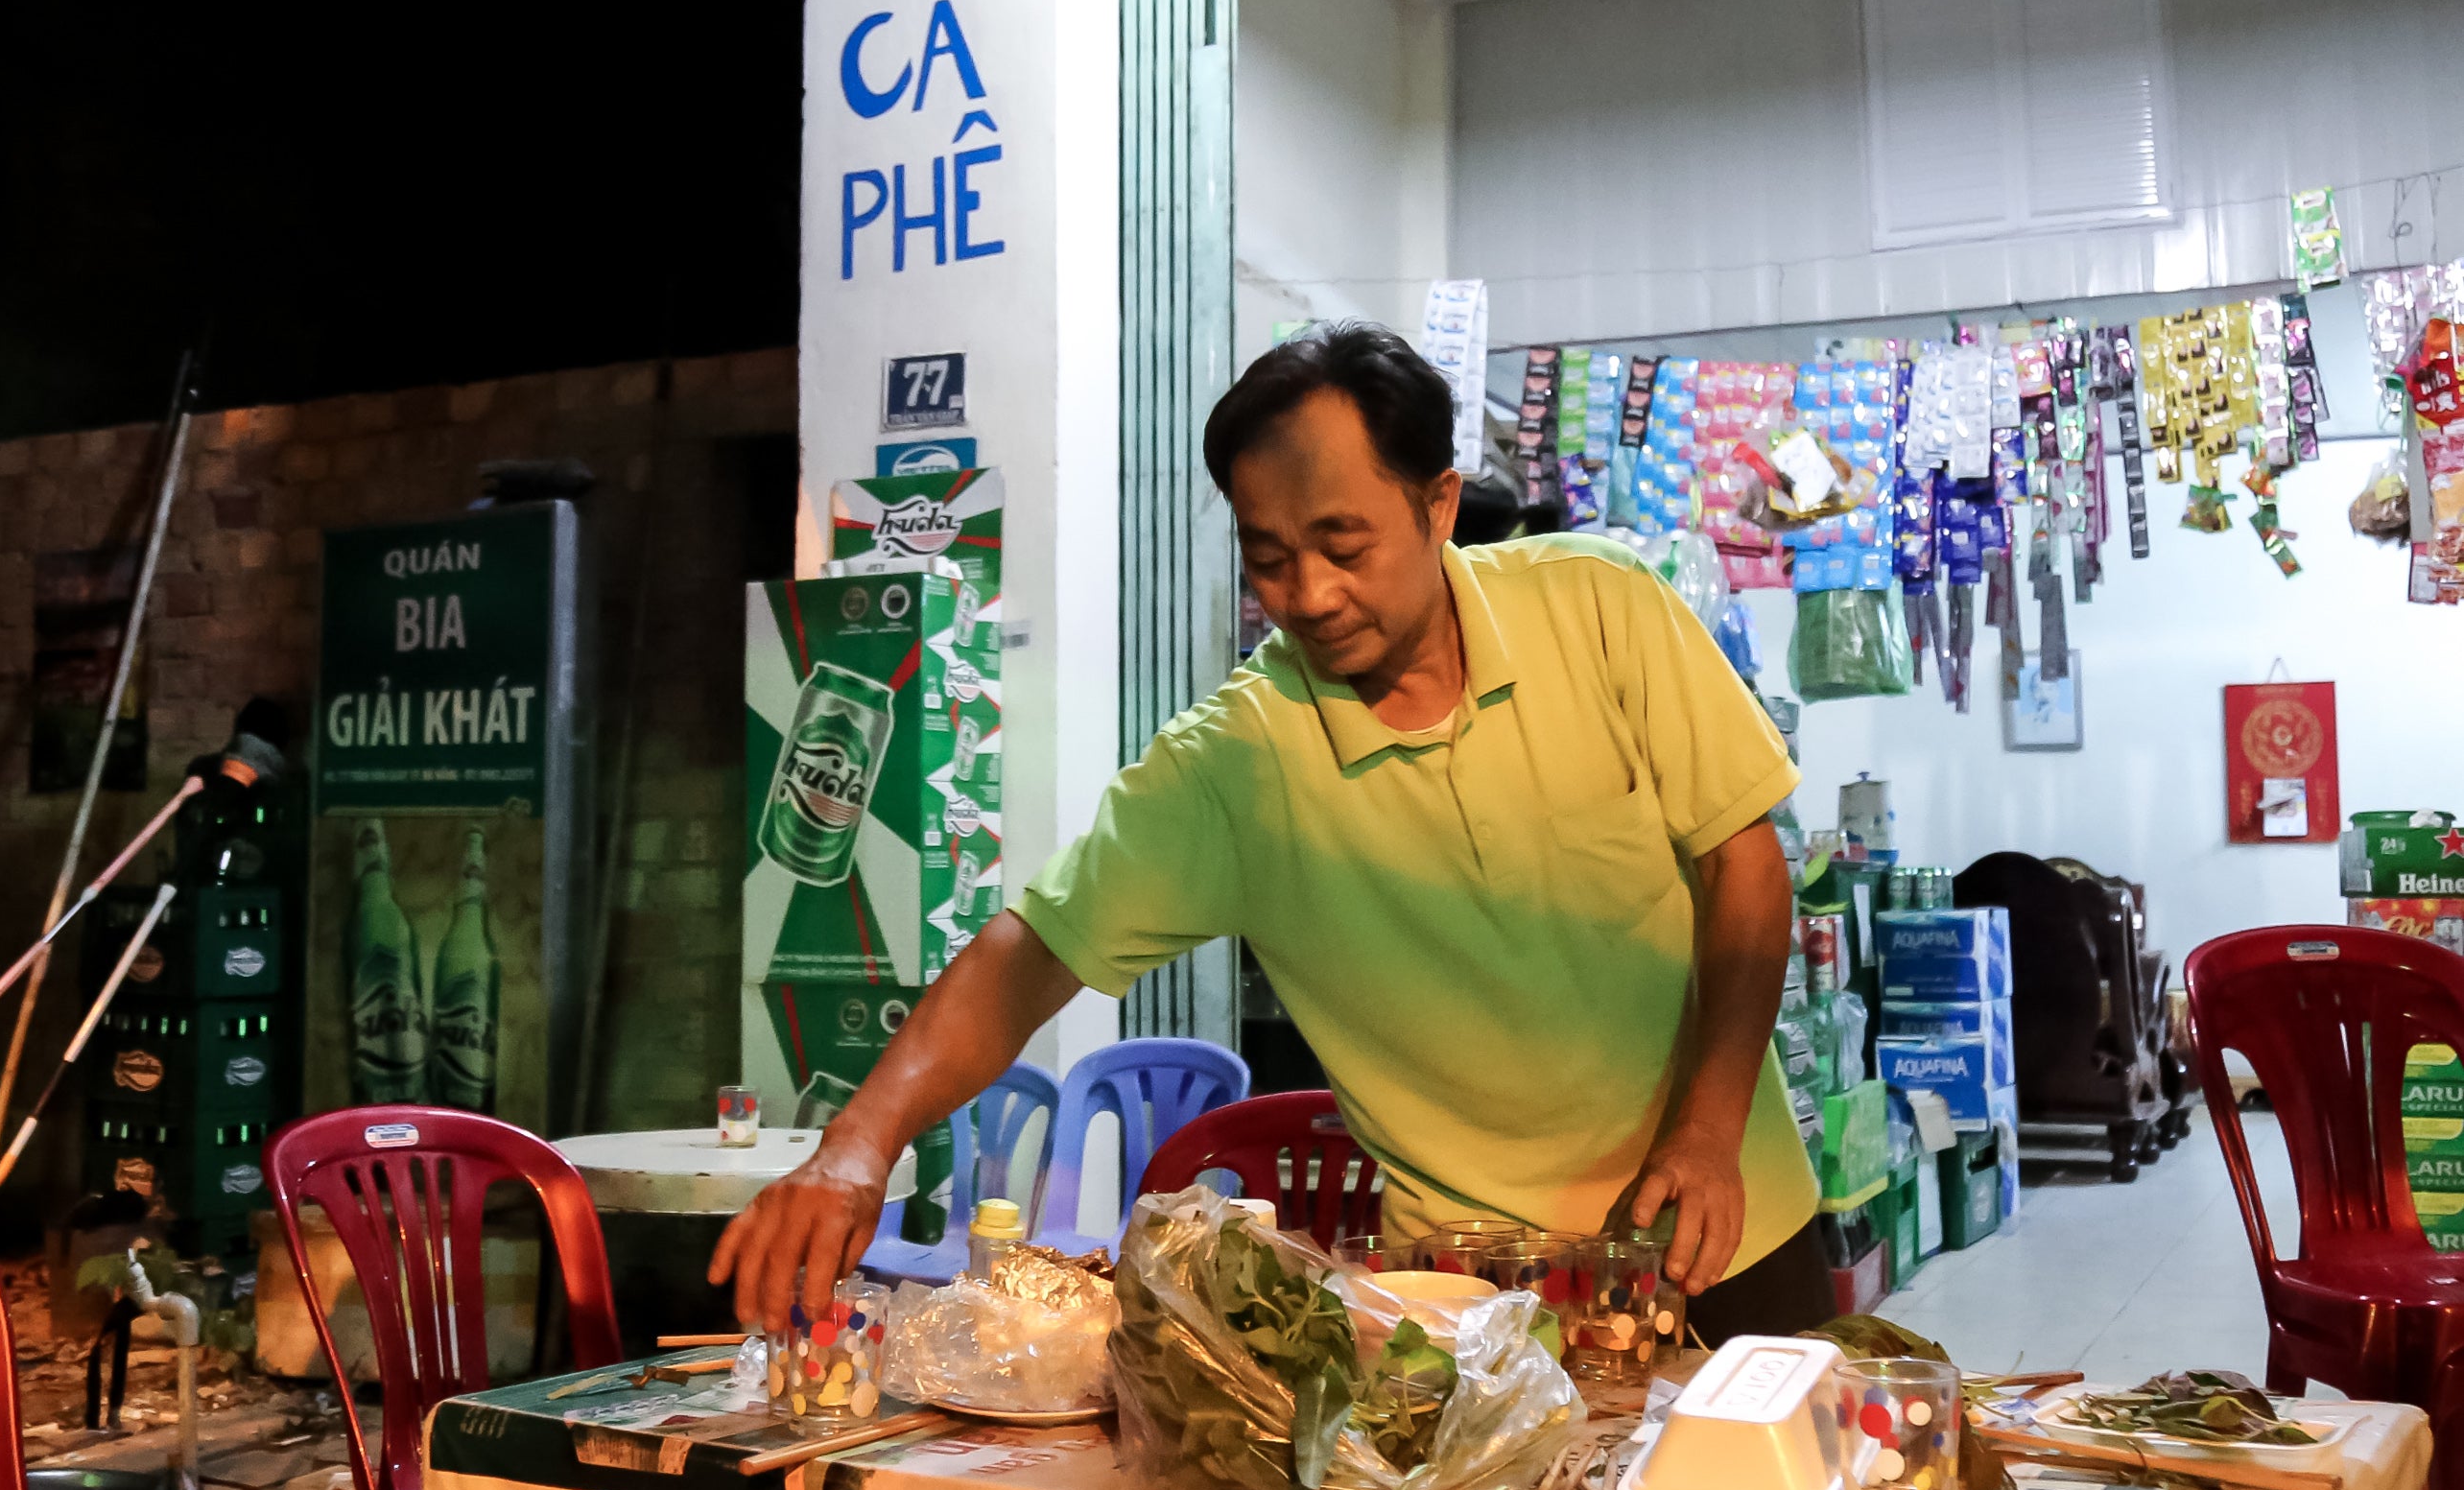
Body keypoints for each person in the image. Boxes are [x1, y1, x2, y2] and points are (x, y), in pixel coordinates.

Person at [712, 319, 1821, 1339]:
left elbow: (1742, 862)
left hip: (1718, 1227)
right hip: (1465, 1297)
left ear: (1437, 505)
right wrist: (856, 1148)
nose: (1312, 593)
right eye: (1270, 555)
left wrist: (1709, 1127)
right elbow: (1031, 955)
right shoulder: (1234, 764)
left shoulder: (1603, 607)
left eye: (1345, 544)